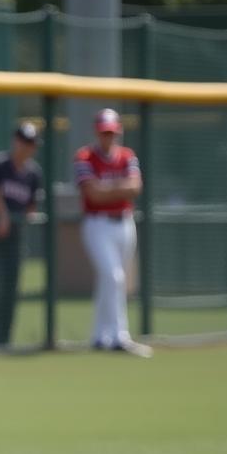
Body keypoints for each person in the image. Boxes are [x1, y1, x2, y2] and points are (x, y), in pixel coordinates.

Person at [74, 108, 152, 357]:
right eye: (104, 132)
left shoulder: (127, 155)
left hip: (125, 222)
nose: (108, 137)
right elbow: (92, 194)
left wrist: (107, 188)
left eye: (112, 132)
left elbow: (136, 187)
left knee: (111, 280)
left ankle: (100, 336)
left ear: (118, 132)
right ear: (98, 133)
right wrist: (120, 188)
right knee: (114, 276)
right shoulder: (85, 156)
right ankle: (120, 336)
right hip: (97, 224)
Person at [0, 122, 44, 347]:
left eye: (31, 144)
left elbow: (32, 206)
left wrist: (25, 217)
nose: (27, 147)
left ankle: (4, 342)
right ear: (15, 141)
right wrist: (3, 214)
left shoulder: (33, 173)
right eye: (24, 142)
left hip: (15, 240)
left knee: (10, 292)